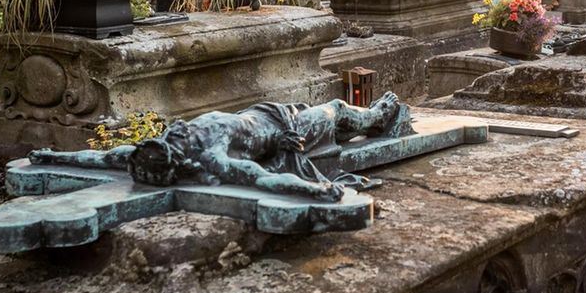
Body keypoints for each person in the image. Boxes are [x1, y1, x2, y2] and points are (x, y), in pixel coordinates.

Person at [27, 92, 413, 202]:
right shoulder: (206, 156)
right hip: (283, 128)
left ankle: (380, 116)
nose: (174, 132)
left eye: (172, 135)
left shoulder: (169, 149)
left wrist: (49, 155)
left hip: (271, 117)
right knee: (336, 111)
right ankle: (381, 114)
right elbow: (262, 180)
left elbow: (100, 157)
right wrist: (318, 189)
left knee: (339, 115)